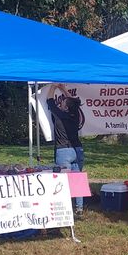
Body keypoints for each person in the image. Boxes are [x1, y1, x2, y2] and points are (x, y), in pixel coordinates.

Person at [47, 85, 85, 214]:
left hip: (63, 151)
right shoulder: (75, 115)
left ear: (66, 107)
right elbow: (74, 102)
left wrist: (53, 87)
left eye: (63, 102)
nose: (61, 103)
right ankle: (79, 208)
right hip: (77, 149)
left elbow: (49, 101)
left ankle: (64, 208)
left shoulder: (59, 115)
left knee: (62, 182)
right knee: (77, 181)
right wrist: (63, 89)